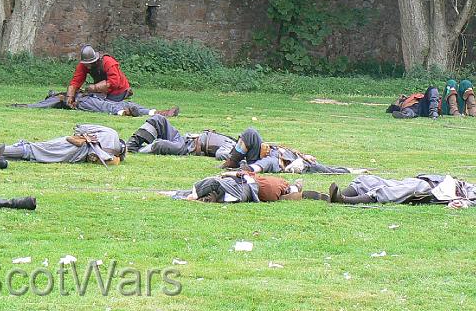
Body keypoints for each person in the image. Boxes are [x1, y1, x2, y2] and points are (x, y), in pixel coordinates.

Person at [220, 127, 364, 174]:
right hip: (291, 160)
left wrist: (303, 156)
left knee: (326, 169)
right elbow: (254, 167)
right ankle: (232, 161)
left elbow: (254, 168)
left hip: (301, 163)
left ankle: (352, 170)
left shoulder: (269, 158)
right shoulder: (265, 157)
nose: (241, 144)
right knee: (248, 133)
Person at [2, 124, 126, 165]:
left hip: (71, 147)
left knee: (34, 149)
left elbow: (79, 128)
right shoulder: (111, 152)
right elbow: (80, 130)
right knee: (34, 152)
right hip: (73, 153)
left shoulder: (111, 135)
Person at [126, 114, 237, 160]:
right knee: (159, 119)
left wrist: (240, 158)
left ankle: (139, 150)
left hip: (187, 149)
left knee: (160, 145)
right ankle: (131, 145)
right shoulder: (233, 141)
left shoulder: (233, 148)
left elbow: (220, 154)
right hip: (184, 139)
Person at [326, 174, 476, 206]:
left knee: (386, 192)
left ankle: (344, 200)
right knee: (366, 180)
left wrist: (462, 203)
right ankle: (333, 197)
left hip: (434, 191)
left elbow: (471, 202)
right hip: (427, 180)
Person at [166, 170, 312, 203]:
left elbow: (214, 181)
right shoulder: (280, 185)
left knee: (213, 182)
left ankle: (194, 195)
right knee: (215, 189)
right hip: (245, 191)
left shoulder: (277, 184)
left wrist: (194, 194)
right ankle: (194, 195)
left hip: (244, 189)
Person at [12, 90, 179, 117]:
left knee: (120, 103)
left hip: (91, 98)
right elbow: (40, 105)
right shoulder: (58, 98)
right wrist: (23, 106)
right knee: (110, 107)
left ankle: (156, 112)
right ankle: (124, 113)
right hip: (84, 103)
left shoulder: (71, 93)